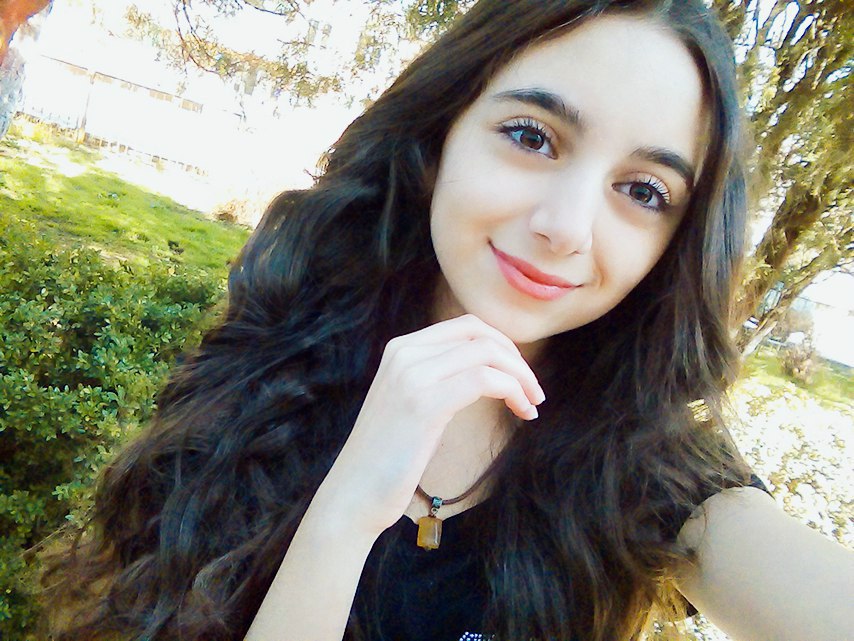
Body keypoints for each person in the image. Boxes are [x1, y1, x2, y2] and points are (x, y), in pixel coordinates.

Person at [43, 1, 854, 640]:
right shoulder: (280, 352)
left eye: (643, 191)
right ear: (439, 139)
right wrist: (345, 512)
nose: (566, 226)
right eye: (532, 137)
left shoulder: (649, 468)